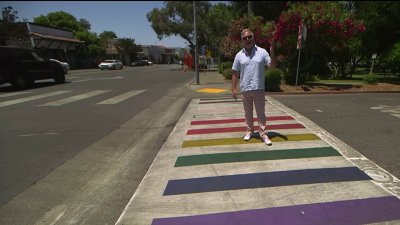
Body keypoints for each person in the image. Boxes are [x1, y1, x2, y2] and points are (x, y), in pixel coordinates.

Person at [231, 28, 276, 145]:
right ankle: (249, 131)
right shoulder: (239, 55)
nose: (248, 40)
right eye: (245, 38)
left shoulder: (262, 52)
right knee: (248, 112)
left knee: (261, 112)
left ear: (253, 37)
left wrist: (272, 51)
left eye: (249, 37)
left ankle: (263, 134)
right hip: (245, 88)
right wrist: (234, 88)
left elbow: (271, 66)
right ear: (242, 41)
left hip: (258, 88)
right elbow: (235, 72)